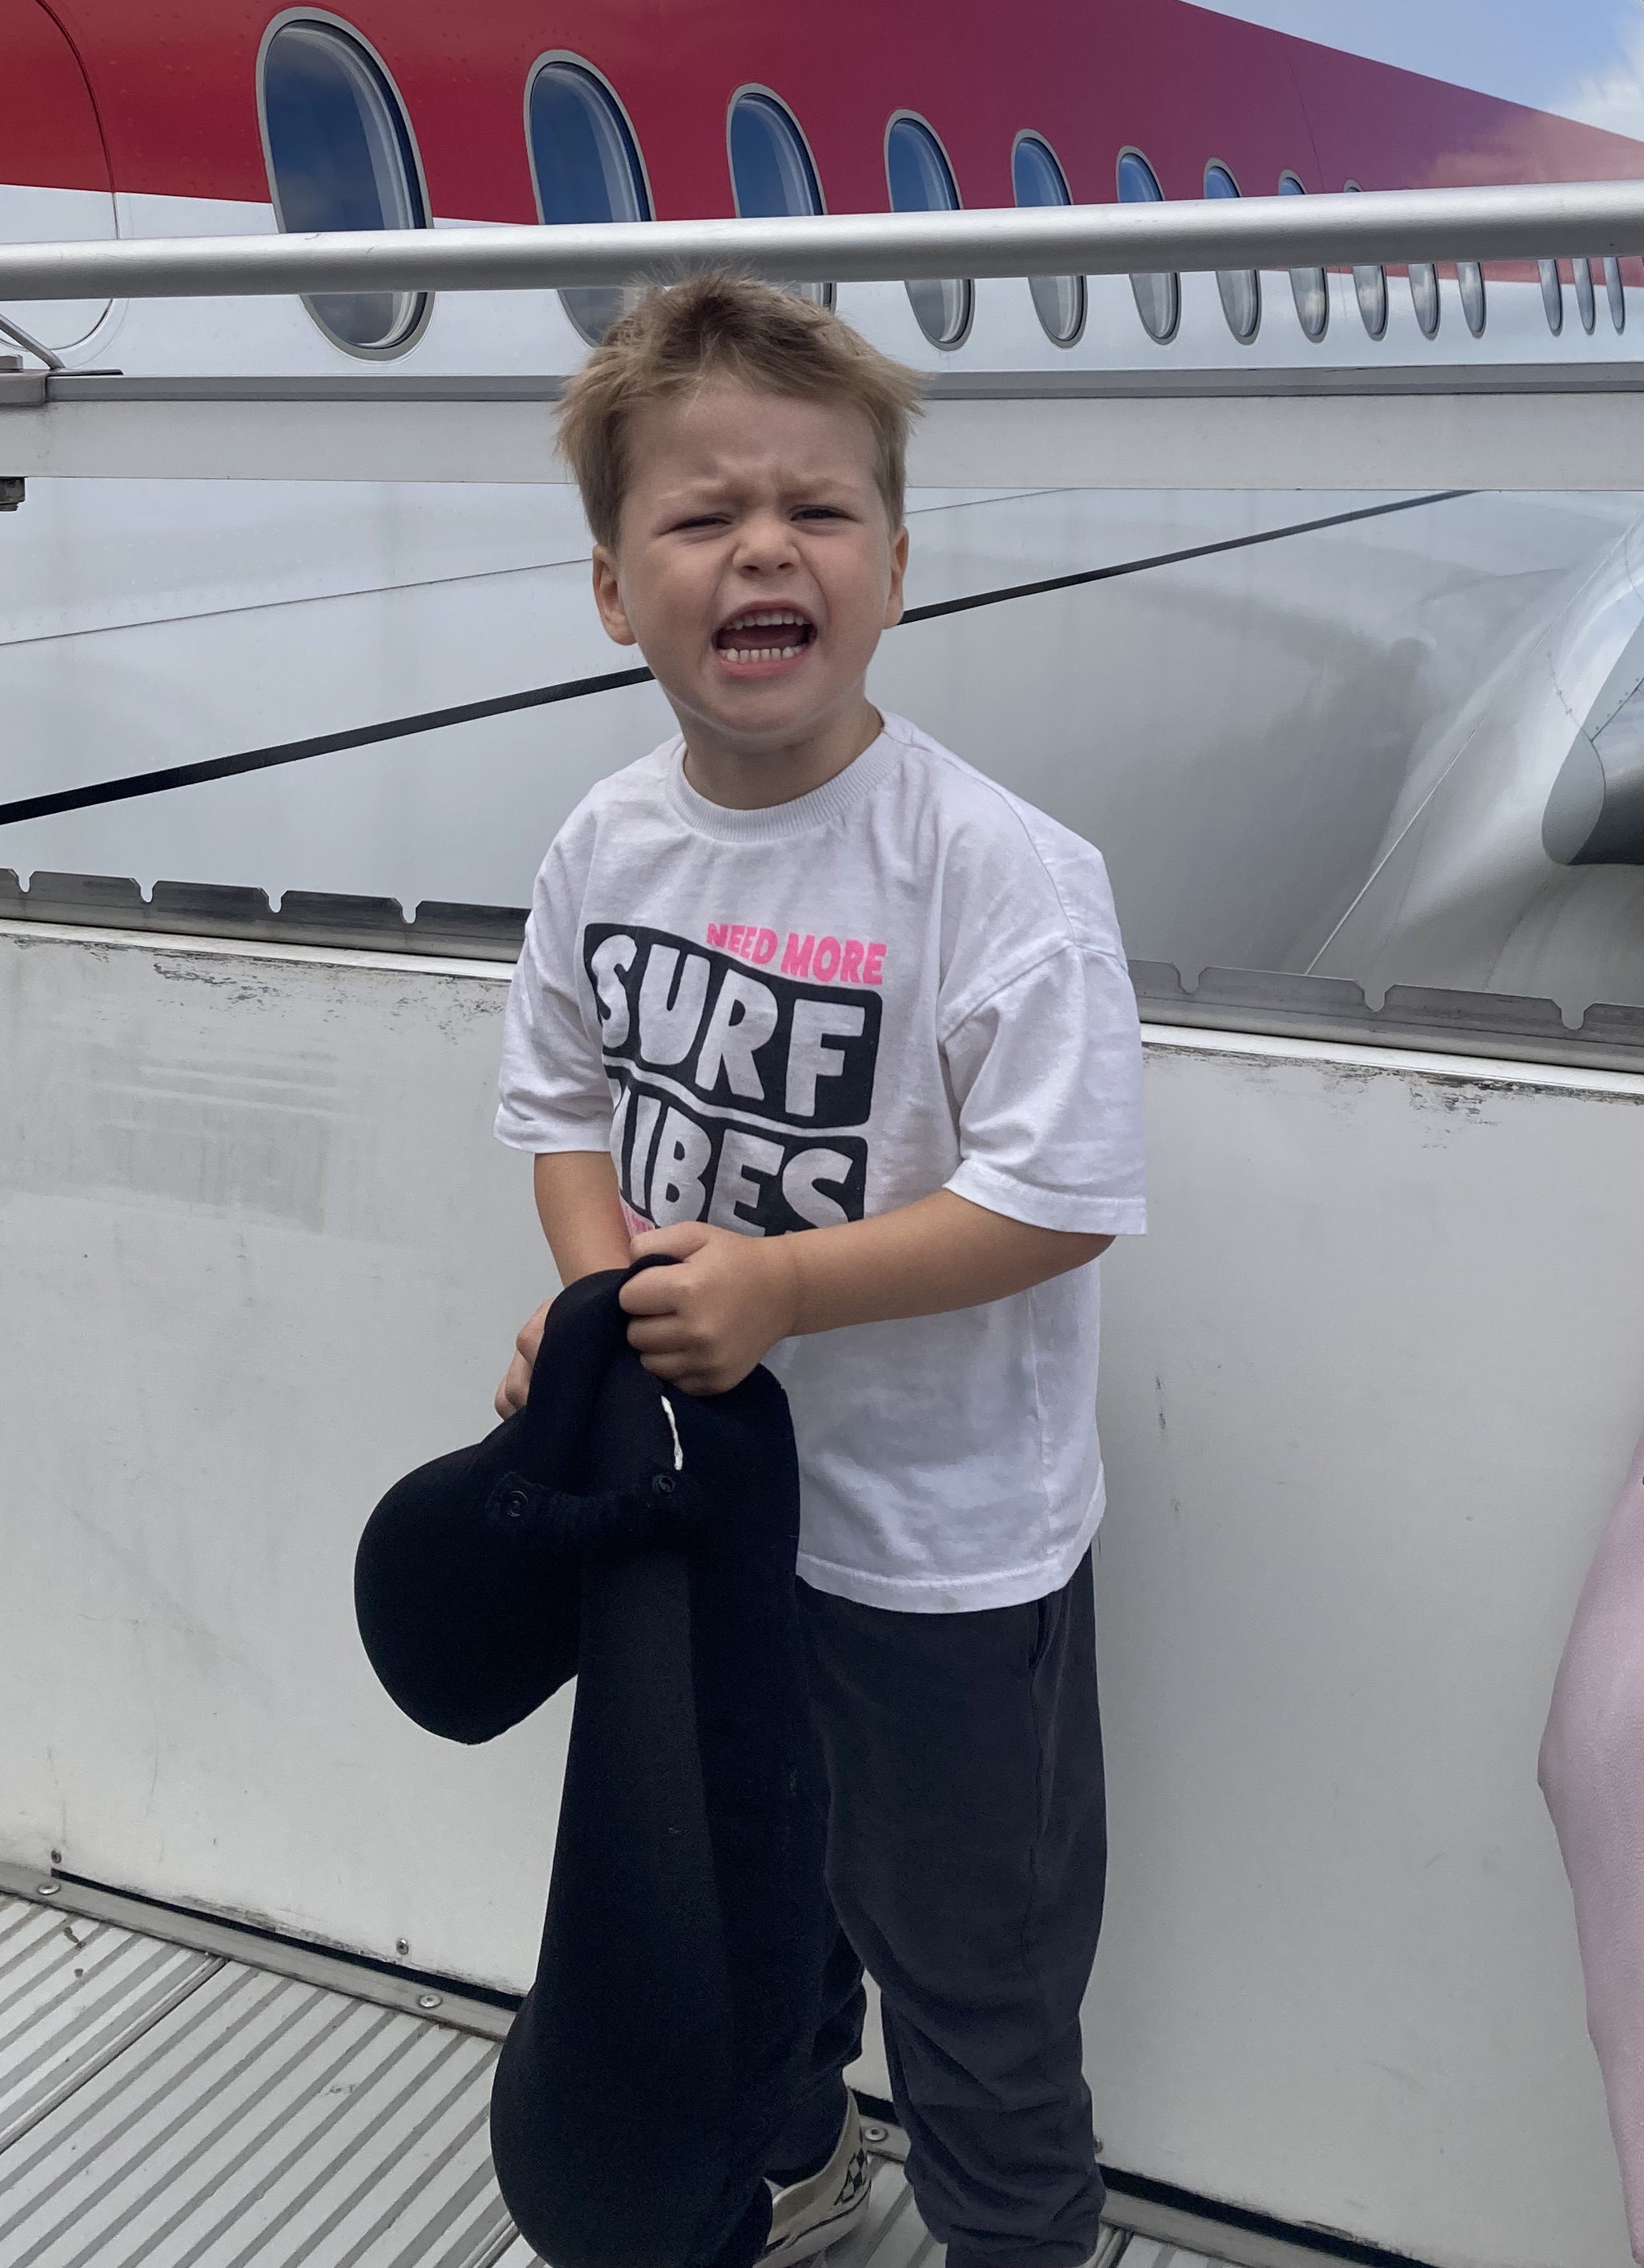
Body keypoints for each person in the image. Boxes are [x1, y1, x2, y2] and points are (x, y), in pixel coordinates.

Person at [492, 270, 1147, 2268]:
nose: (765, 548)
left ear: (895, 568)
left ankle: (1018, 2236)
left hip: (941, 1561)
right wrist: (608, 1318)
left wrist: (780, 1295)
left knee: (976, 1974)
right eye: (702, 516)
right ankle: (797, 2158)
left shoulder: (994, 870)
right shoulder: (605, 847)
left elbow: (1059, 1193)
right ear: (614, 590)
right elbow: (563, 1110)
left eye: (819, 510)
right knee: (752, 1901)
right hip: (720, 1527)